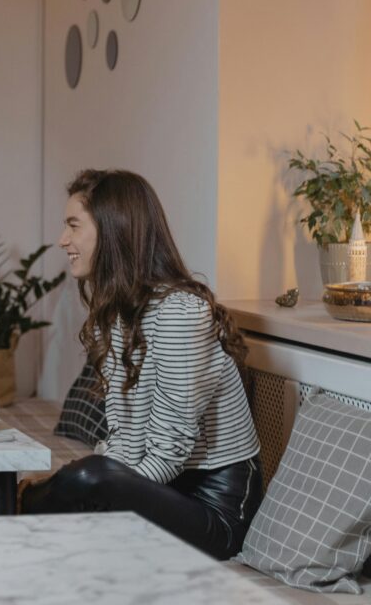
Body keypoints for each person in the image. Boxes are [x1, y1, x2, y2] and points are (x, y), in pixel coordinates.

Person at [21, 169, 263, 560]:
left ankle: (16, 508)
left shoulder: (181, 313)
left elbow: (170, 450)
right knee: (89, 479)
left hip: (213, 510)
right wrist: (101, 489)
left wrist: (99, 491)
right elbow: (126, 437)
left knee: (89, 476)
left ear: (113, 230)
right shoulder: (120, 312)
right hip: (164, 489)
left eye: (73, 226)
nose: (63, 240)